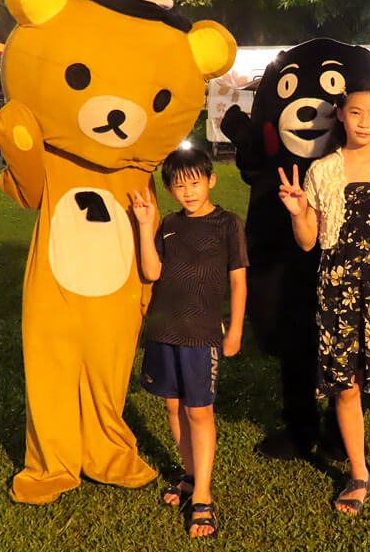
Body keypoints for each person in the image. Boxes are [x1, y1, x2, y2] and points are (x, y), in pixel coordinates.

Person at [278, 72, 370, 522]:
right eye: (356, 113)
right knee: (345, 388)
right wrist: (298, 211)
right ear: (341, 115)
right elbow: (308, 241)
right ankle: (359, 474)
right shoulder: (321, 170)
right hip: (336, 288)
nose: (364, 122)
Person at [130, 147, 248, 539]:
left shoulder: (228, 224)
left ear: (211, 180)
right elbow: (151, 272)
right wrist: (147, 229)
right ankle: (191, 474)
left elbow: (238, 281)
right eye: (178, 186)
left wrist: (234, 330)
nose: (188, 192)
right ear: (168, 190)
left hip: (202, 334)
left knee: (200, 412)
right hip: (164, 330)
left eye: (194, 182)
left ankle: (202, 497)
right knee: (173, 407)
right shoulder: (167, 224)